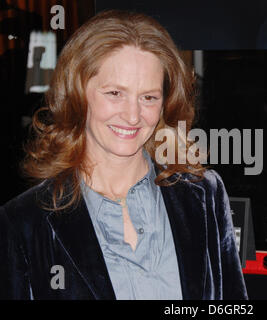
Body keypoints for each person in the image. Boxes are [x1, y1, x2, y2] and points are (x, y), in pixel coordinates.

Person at [0, 10, 248, 300]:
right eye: (115, 93)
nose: (133, 116)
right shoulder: (24, 223)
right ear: (78, 93)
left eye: (148, 97)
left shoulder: (204, 194)